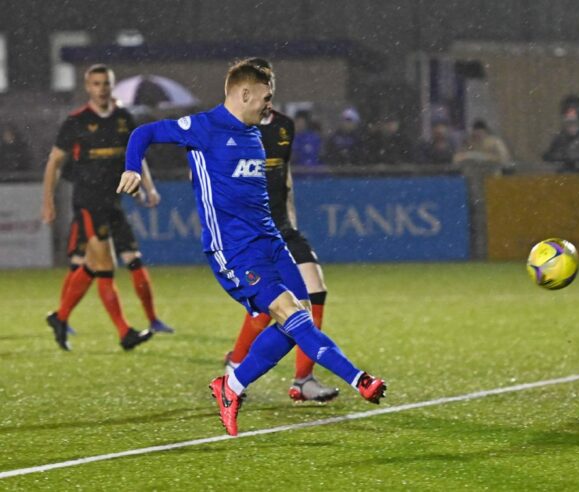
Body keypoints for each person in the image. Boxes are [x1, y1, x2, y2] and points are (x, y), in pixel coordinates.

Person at [117, 60, 386, 436]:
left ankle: (232, 385)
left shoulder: (255, 135)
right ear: (245, 94)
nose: (269, 105)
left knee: (299, 318)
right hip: (235, 251)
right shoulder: (204, 127)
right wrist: (132, 168)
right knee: (290, 313)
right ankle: (360, 380)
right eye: (266, 97)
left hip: (272, 244)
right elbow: (144, 133)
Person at [223, 57, 338, 403]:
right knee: (265, 308)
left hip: (283, 227)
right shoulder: (233, 128)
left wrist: (291, 218)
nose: (267, 90)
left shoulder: (284, 126)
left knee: (314, 291)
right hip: (251, 232)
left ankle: (303, 379)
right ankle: (236, 365)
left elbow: (283, 176)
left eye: (270, 82)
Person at [42, 64, 172, 352]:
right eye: (96, 84)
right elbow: (54, 161)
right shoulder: (76, 121)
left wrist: (147, 187)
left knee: (97, 266)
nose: (101, 88)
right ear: (88, 87)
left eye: (106, 84)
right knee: (105, 265)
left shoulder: (124, 118)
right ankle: (124, 332)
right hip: (88, 203)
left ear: (112, 87)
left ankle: (60, 317)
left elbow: (137, 156)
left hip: (113, 202)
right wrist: (48, 200)